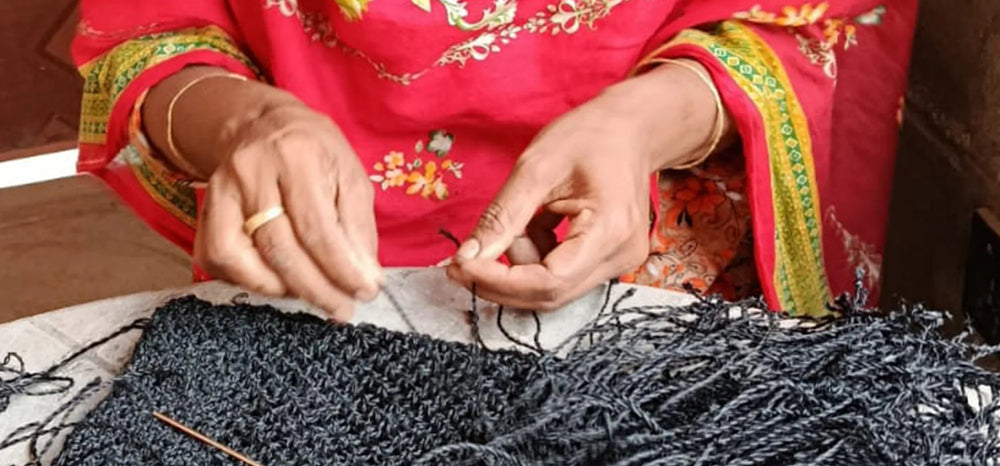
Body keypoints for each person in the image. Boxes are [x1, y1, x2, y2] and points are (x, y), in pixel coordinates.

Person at [73, 1, 917, 320]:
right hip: (323, 246)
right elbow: (153, 32)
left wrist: (644, 123)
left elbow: (810, 17)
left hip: (658, 233)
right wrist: (248, 123)